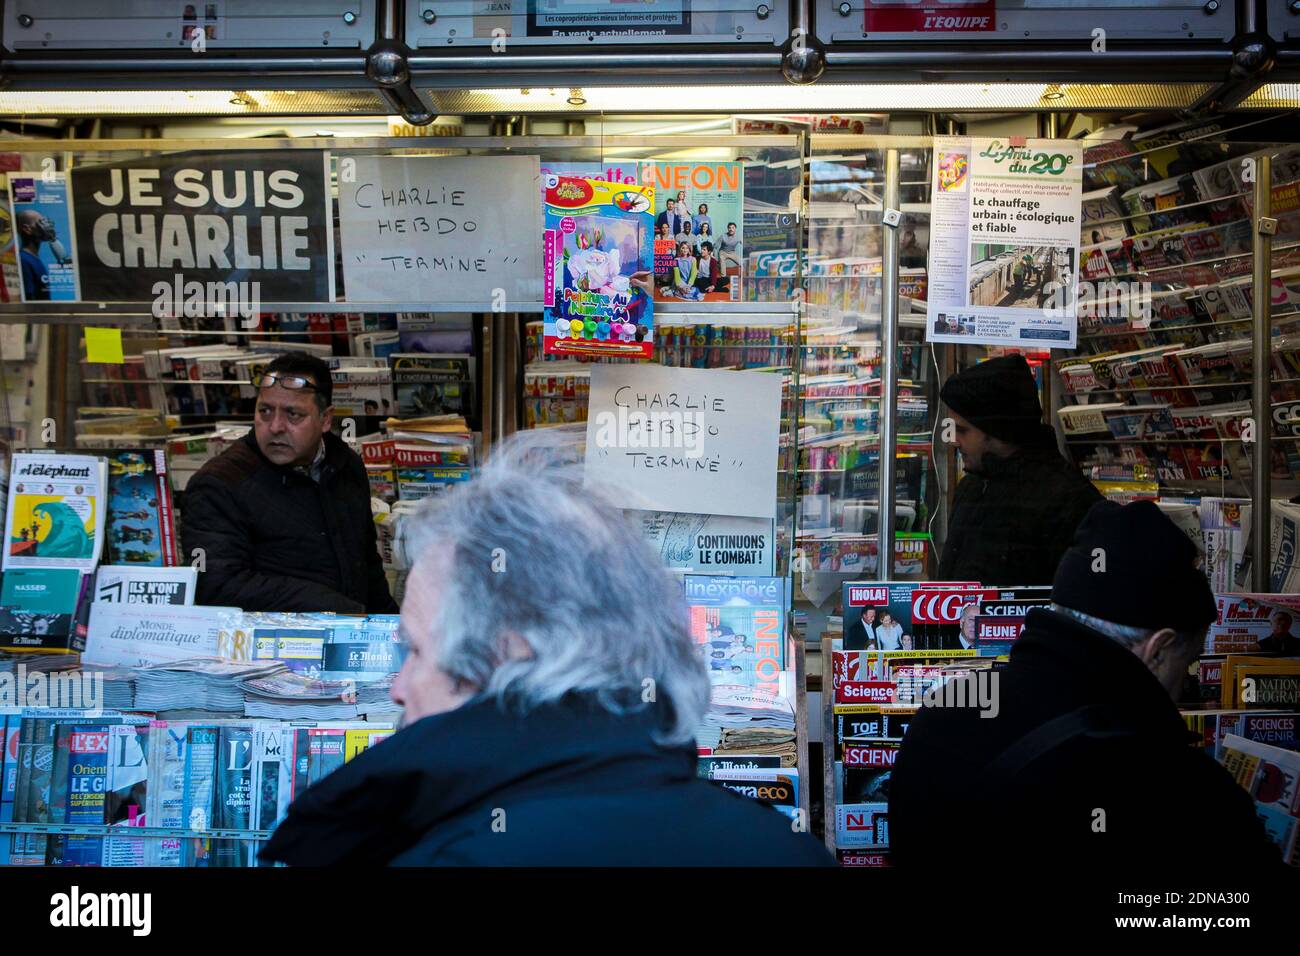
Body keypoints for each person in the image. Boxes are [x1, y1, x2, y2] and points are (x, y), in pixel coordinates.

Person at [259, 436, 832, 867]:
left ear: (507, 657)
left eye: (416, 651)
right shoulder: (784, 852)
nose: (397, 686)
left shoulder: (449, 856)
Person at [890, 500, 1280, 873]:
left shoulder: (945, 712)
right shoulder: (1167, 784)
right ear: (1158, 648)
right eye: (1188, 661)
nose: (1184, 685)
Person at [182, 352, 397, 613]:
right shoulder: (218, 484)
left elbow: (366, 563)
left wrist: (392, 629)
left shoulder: (345, 464)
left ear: (326, 419)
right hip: (273, 647)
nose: (275, 427)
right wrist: (332, 607)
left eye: (293, 415)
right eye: (265, 411)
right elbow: (215, 585)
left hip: (350, 634)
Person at [937, 354, 1102, 585]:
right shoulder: (972, 487)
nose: (953, 440)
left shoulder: (1068, 500)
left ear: (997, 430)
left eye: (962, 431)